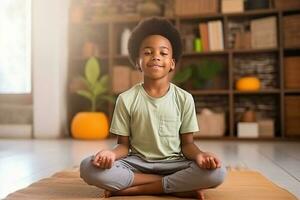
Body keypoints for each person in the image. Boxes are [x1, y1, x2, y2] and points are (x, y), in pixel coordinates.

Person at [80, 17, 226, 199]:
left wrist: (201, 156)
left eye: (163, 53)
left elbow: (188, 144)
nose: (156, 56)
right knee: (88, 167)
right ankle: (174, 186)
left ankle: (138, 189)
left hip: (176, 163)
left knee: (218, 173)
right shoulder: (126, 99)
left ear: (172, 63)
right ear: (137, 62)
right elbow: (123, 146)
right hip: (136, 163)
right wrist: (110, 153)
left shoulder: (184, 98)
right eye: (148, 52)